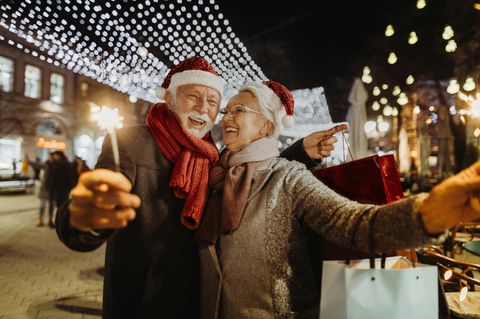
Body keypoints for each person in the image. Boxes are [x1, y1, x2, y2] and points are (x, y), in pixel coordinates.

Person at [55, 56, 346, 318]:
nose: (202, 109)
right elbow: (88, 214)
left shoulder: (211, 154)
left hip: (199, 303)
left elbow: (253, 175)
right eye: (193, 97)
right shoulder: (130, 142)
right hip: (143, 304)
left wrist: (300, 152)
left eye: (212, 102)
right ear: (170, 99)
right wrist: (86, 217)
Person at [193, 80, 480, 319]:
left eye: (238, 110)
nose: (226, 118)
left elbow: (354, 224)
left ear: (267, 126)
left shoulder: (288, 178)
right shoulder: (212, 174)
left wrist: (427, 213)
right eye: (226, 111)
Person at [50, 150, 75, 227]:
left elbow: (53, 178)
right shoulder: (68, 163)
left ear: (58, 155)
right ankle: (65, 223)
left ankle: (59, 223)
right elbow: (72, 176)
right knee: (65, 205)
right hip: (67, 188)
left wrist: (52, 188)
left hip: (58, 189)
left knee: (59, 207)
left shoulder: (56, 164)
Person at [37, 153, 55, 227]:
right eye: (49, 157)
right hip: (44, 188)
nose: (50, 158)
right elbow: (36, 165)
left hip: (52, 189)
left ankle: (50, 220)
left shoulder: (56, 166)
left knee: (51, 206)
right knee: (42, 205)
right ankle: (40, 220)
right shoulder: (45, 164)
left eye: (52, 157)